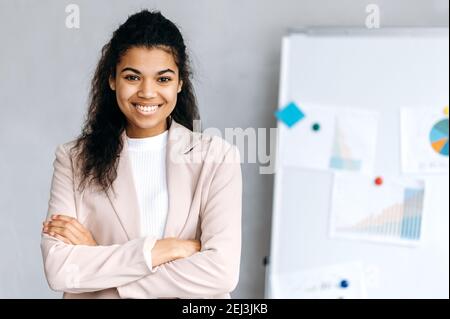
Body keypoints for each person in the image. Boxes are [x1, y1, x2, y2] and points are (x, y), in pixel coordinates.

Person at [40, 9, 242, 299]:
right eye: (133, 77)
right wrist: (165, 249)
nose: (147, 92)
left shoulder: (217, 158)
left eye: (163, 79)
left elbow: (221, 273)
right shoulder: (73, 158)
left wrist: (98, 259)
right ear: (112, 79)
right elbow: (61, 270)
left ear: (180, 83)